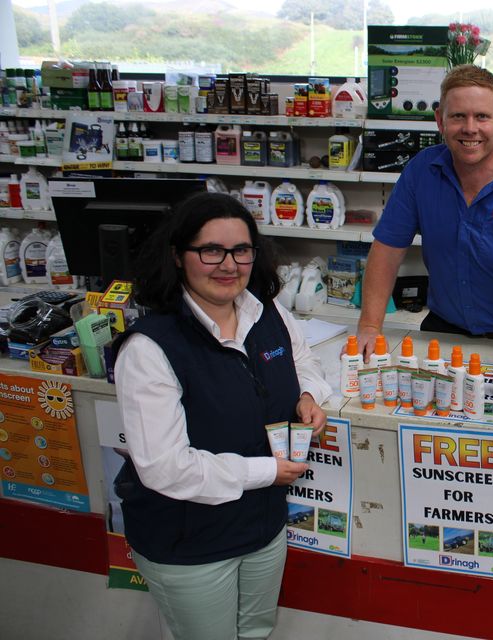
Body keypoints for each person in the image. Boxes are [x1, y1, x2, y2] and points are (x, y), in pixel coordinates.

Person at [113, 192, 332, 640]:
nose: (229, 265)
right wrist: (267, 471)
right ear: (178, 256)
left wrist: (309, 393)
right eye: (211, 250)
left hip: (263, 527)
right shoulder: (150, 348)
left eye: (241, 250)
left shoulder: (266, 312)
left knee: (255, 630)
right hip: (188, 541)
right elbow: (164, 467)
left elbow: (302, 357)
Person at [356, 64, 493, 398]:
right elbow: (387, 251)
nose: (470, 128)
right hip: (444, 332)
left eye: (482, 117)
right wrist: (370, 326)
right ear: (440, 121)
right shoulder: (421, 173)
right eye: (458, 116)